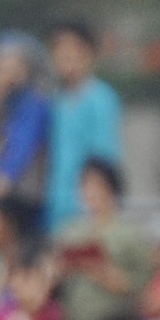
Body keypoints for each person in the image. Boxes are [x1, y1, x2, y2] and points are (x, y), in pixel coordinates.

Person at [44, 21, 123, 233]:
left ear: (88, 52)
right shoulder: (58, 101)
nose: (63, 56)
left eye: (70, 49)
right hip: (54, 205)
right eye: (57, 49)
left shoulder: (101, 98)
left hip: (85, 208)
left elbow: (104, 156)